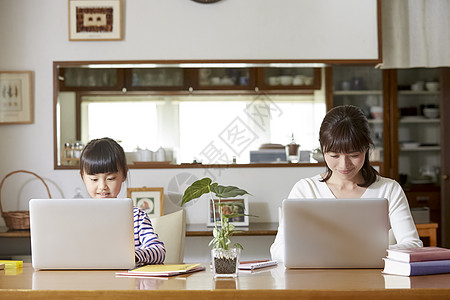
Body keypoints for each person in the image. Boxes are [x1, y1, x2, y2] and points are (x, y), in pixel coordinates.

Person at [270, 105, 422, 262]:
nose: (344, 165)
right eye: (334, 155)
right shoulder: (306, 190)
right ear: (322, 149)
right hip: (318, 281)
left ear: (366, 149)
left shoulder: (389, 189)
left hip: (375, 281)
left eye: (354, 155)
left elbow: (413, 245)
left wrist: (363, 252)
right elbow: (278, 250)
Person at [80, 137, 166, 265]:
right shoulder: (77, 217)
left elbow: (159, 251)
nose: (102, 186)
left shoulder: (136, 217)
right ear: (83, 177)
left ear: (124, 175)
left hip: (126, 283)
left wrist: (131, 255)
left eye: (110, 178)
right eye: (94, 179)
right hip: (85, 282)